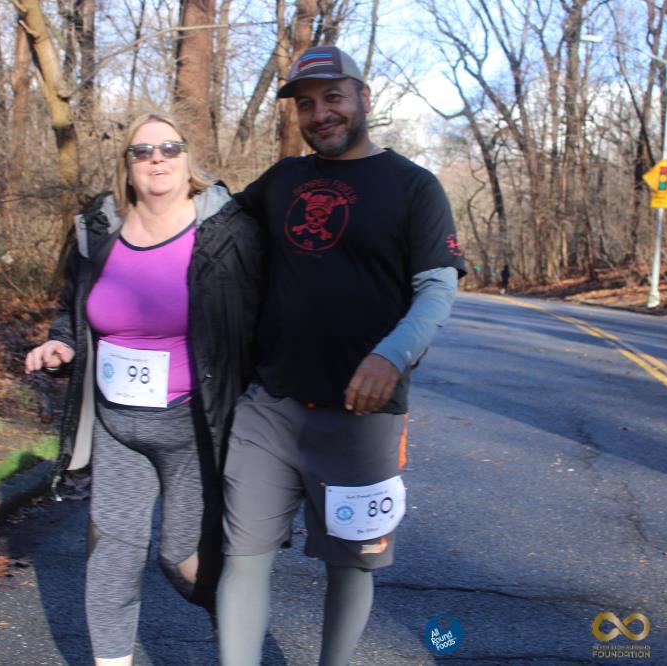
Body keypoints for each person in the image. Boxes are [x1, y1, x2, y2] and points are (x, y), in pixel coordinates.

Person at [216, 47, 465, 666]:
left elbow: (437, 289)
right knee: (242, 558)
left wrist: (391, 357)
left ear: (363, 97)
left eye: (333, 97)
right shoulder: (282, 180)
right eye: (306, 104)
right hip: (269, 407)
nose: (320, 113)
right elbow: (215, 226)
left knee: (350, 566)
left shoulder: (414, 187)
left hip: (363, 417)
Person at [24, 111, 265, 666]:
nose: (157, 158)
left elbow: (259, 316)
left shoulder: (226, 231)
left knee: (182, 559)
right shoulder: (98, 231)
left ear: (188, 160)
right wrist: (61, 345)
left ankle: (239, 629)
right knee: (113, 554)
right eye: (143, 151)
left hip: (192, 429)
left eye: (170, 148)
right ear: (127, 165)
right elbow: (73, 311)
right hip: (117, 428)